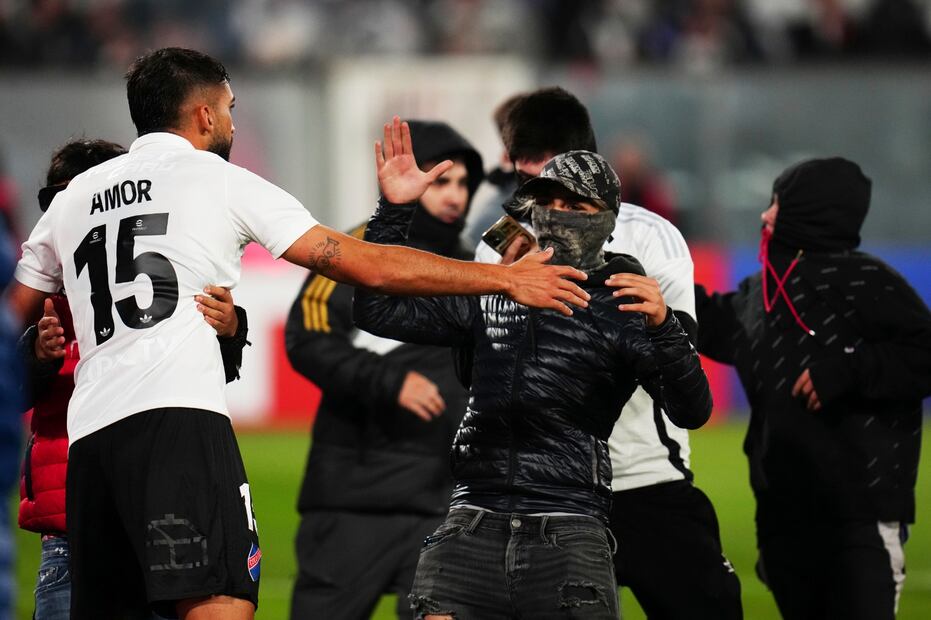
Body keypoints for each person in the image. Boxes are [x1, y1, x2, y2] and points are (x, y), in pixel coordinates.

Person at [4, 47, 588, 620]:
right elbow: (372, 267)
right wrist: (502, 280)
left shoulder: (75, 196)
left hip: (91, 445)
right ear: (205, 114)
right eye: (230, 107)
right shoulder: (220, 179)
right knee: (221, 599)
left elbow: (12, 318)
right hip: (177, 424)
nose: (232, 121)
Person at [355, 146, 713, 620]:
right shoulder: (493, 287)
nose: (559, 216)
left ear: (608, 219)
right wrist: (396, 209)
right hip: (470, 520)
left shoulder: (623, 303)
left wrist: (665, 326)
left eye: (576, 207)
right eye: (550, 204)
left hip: (567, 529)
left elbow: (692, 410)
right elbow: (375, 309)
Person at [474, 86, 742, 618]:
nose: (542, 203)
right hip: (544, 493)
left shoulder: (652, 235)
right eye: (528, 183)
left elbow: (679, 362)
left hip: (644, 478)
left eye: (551, 182)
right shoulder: (498, 247)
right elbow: (486, 365)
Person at [16, 138, 250, 620]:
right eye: (52, 203)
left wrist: (231, 329)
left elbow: (212, 372)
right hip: (73, 533)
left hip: (132, 518)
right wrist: (35, 354)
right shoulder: (37, 305)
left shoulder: (158, 289)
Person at [695, 157, 931, 620]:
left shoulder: (868, 281)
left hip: (858, 513)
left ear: (812, 211)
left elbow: (923, 352)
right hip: (780, 513)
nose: (766, 216)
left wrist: (845, 371)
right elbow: (707, 322)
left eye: (779, 203)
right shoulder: (758, 291)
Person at [285, 119, 482, 619]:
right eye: (442, 181)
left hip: (444, 503)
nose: (456, 195)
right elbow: (306, 338)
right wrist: (389, 379)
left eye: (464, 183)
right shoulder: (360, 248)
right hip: (356, 499)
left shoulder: (472, 265)